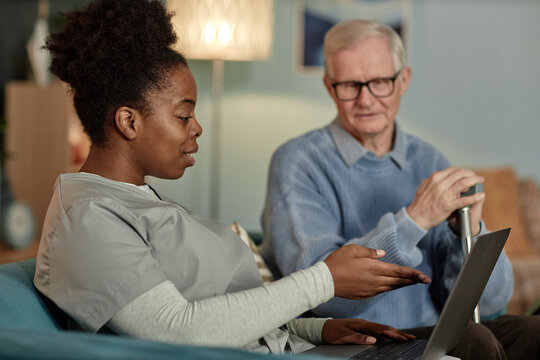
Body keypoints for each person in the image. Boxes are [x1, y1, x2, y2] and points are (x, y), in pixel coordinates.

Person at [32, 1, 433, 355]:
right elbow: (175, 330)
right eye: (184, 115)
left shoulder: (138, 200)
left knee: (476, 338)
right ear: (128, 121)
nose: (197, 128)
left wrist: (319, 327)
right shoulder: (89, 217)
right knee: (474, 344)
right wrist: (324, 280)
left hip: (303, 347)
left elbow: (223, 312)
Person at [260, 19, 540, 359]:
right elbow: (321, 294)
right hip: (349, 340)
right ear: (329, 86)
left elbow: (492, 303)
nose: (365, 100)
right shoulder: (297, 161)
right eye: (349, 85)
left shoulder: (428, 159)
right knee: (473, 341)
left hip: (434, 331)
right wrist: (415, 219)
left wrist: (469, 233)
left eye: (379, 82)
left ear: (403, 80)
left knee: (532, 331)